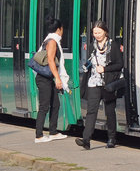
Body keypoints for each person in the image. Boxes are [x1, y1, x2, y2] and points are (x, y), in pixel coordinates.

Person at [77, 21, 124, 150]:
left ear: (105, 32)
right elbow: (90, 61)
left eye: (99, 32)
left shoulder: (113, 45)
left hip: (108, 83)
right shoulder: (92, 46)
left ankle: (111, 138)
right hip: (94, 82)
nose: (97, 35)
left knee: (109, 111)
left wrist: (104, 69)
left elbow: (119, 64)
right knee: (91, 111)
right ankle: (86, 140)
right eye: (94, 33)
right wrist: (86, 66)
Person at [34, 17, 68, 143]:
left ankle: (53, 132)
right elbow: (50, 61)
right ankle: (39, 135)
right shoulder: (52, 41)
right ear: (59, 29)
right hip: (44, 78)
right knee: (44, 106)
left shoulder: (49, 39)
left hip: (47, 78)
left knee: (55, 104)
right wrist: (58, 79)